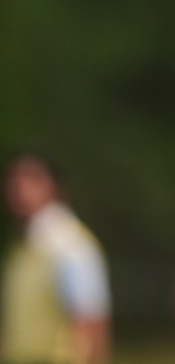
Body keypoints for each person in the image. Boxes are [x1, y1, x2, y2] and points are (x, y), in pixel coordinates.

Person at [1, 153, 111, 364]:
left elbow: (92, 323)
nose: (20, 188)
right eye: (14, 179)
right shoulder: (21, 247)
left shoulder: (72, 244)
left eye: (33, 179)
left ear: (55, 187)